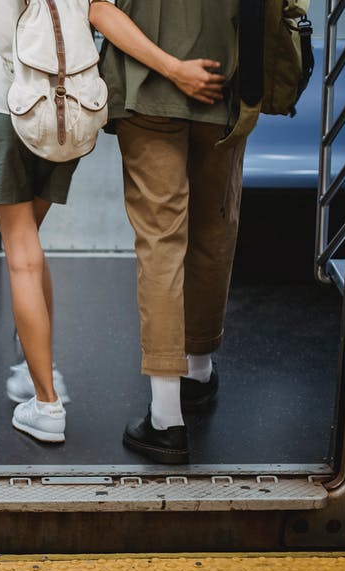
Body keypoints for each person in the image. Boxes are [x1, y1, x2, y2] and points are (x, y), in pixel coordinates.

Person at [0, 0, 223, 444]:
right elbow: (100, 16)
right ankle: (34, 368)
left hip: (4, 110)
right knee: (31, 246)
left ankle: (46, 406)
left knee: (21, 254)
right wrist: (173, 67)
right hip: (69, 116)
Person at [89, 0, 245, 464]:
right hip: (223, 88)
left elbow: (98, 10)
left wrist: (174, 69)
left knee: (161, 243)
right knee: (213, 231)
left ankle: (165, 418)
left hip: (147, 92)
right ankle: (197, 371)